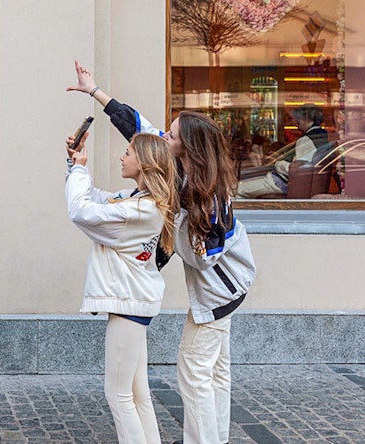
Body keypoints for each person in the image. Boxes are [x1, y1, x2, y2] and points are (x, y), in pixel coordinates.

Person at [68, 60, 256, 444]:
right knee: (217, 372)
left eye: (170, 136)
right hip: (226, 288)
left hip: (222, 292)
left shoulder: (210, 193)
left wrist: (173, 235)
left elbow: (207, 255)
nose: (162, 136)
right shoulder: (181, 170)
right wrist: (93, 90)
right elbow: (136, 126)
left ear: (188, 148)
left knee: (193, 372)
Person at [65, 128, 180, 444]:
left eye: (128, 152)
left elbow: (81, 211)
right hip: (135, 303)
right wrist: (76, 165)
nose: (121, 156)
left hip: (130, 306)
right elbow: (97, 197)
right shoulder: (140, 202)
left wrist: (78, 170)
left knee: (118, 395)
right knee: (137, 393)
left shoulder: (138, 211)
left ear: (143, 163)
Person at [235, 103, 330, 198]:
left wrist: (277, 163)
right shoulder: (322, 137)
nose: (295, 122)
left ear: (308, 120)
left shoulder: (306, 140)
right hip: (285, 183)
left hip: (281, 183)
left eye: (298, 120)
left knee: (236, 190)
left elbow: (298, 170)